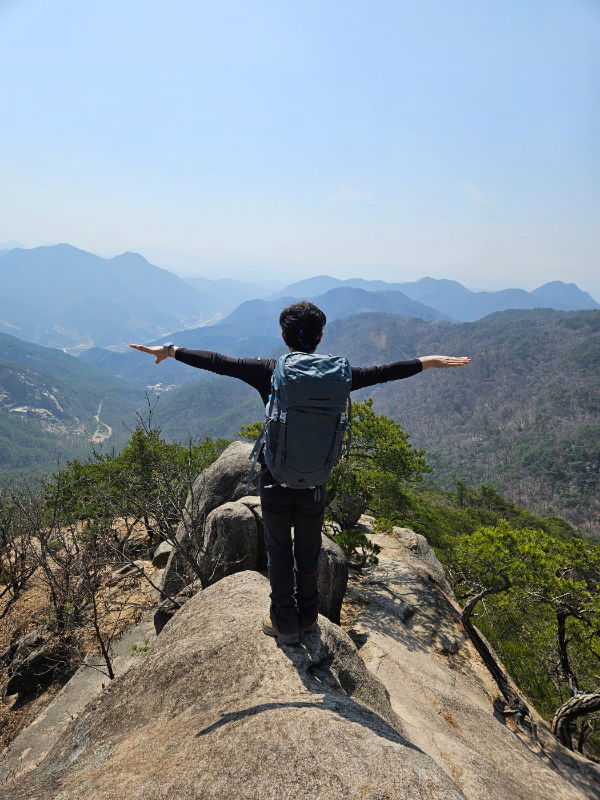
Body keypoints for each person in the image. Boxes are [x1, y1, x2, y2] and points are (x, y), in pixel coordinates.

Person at [131, 301, 470, 644]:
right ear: (320, 337)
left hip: (275, 480)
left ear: (283, 336)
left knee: (279, 550)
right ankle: (309, 617)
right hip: (316, 482)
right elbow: (384, 371)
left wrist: (171, 351)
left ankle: (284, 622)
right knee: (308, 549)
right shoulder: (341, 376)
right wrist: (427, 362)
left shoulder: (270, 370)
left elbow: (219, 362)